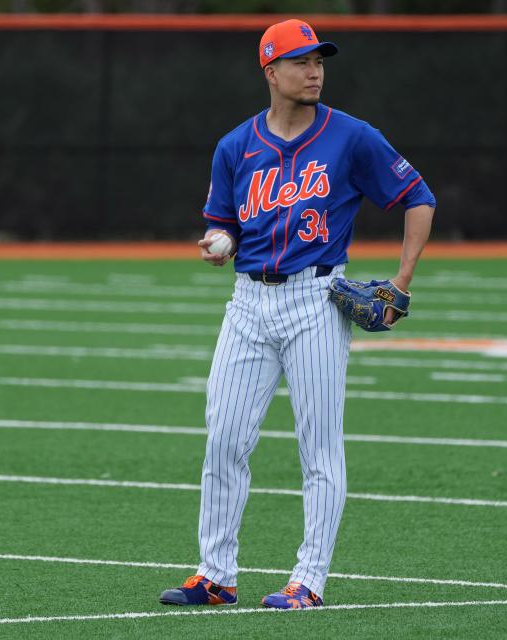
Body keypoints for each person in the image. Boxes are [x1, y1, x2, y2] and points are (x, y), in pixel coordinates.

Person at [159, 18, 436, 610]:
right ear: (270, 71)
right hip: (247, 304)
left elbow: (418, 197)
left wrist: (400, 281)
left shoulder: (351, 137)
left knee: (319, 447)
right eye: (301, 61)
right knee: (225, 439)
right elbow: (222, 222)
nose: (314, 71)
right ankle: (216, 575)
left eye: (319, 61)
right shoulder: (236, 146)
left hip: (316, 300)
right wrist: (217, 240)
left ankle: (308, 579)